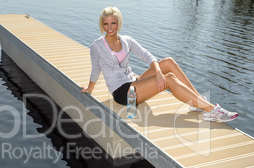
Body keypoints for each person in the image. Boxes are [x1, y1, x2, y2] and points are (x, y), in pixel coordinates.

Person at [81, 7, 239, 122]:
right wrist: (90, 88)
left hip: (133, 83)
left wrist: (157, 71)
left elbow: (146, 55)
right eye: (106, 24)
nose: (110, 28)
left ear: (118, 23)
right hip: (122, 93)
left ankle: (197, 102)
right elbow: (96, 69)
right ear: (102, 25)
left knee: (168, 62)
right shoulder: (97, 46)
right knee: (169, 79)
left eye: (113, 23)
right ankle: (211, 109)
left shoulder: (126, 40)